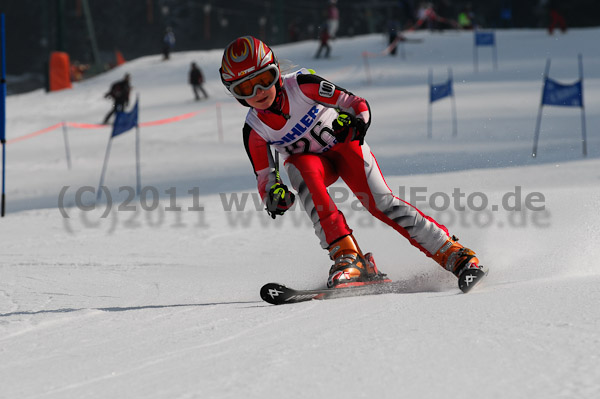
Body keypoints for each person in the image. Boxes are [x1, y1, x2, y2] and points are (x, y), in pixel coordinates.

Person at [219, 36, 486, 291]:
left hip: (343, 147)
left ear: (277, 71)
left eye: (265, 79)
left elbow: (355, 102)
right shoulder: (254, 130)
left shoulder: (301, 84)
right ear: (235, 94)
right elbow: (265, 176)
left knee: (381, 203)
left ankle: (454, 253)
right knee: (299, 167)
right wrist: (274, 196)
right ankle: (348, 257)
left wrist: (358, 121)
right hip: (315, 167)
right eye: (245, 88)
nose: (259, 92)